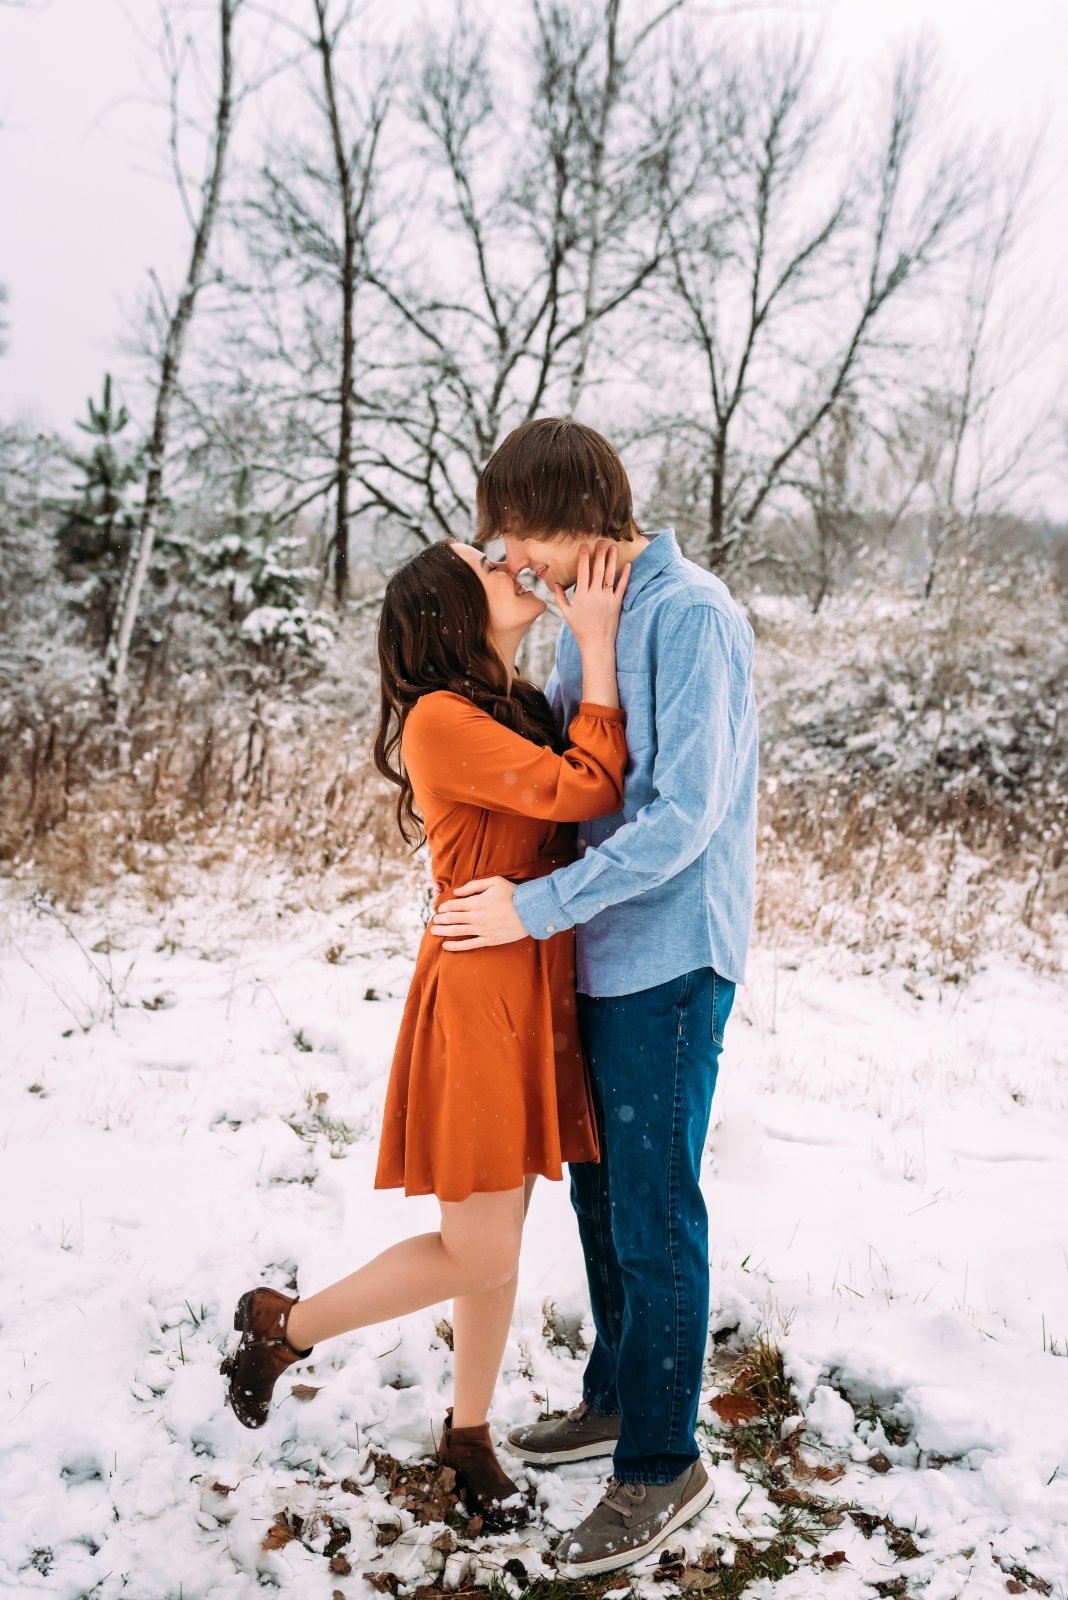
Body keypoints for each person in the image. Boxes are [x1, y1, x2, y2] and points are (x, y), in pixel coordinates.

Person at [220, 534, 631, 1529]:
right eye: (490, 565)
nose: (516, 567)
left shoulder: (514, 705)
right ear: (451, 609)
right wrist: (603, 645)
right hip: (483, 996)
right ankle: (284, 1325)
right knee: (478, 1248)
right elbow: (590, 787)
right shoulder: (441, 720)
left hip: (532, 986)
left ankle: (468, 1430)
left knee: (495, 1234)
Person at [429, 417, 758, 1578]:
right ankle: (619, 1397)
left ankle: (662, 1465)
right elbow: (586, 776)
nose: (514, 562)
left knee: (656, 1210)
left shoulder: (695, 616)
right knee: (604, 1195)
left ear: (571, 519)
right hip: (596, 953)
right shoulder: (592, 621)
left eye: (520, 539)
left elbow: (682, 815)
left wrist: (536, 906)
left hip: (668, 955)